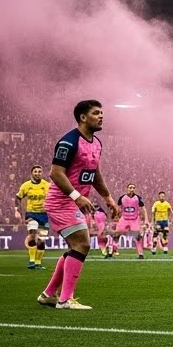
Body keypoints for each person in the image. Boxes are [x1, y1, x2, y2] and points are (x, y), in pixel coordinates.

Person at [38, 100, 118, 310]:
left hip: (74, 202)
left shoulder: (96, 143)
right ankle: (65, 300)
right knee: (82, 244)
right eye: (96, 113)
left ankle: (48, 295)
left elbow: (94, 172)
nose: (101, 116)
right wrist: (76, 195)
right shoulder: (68, 142)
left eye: (102, 113)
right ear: (83, 117)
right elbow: (55, 173)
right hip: (61, 202)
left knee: (76, 247)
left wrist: (108, 197)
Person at [16, 165, 51, 269]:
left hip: (44, 215)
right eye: (35, 171)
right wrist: (16, 210)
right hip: (31, 214)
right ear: (32, 173)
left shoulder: (47, 185)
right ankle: (31, 261)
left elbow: (53, 198)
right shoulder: (26, 186)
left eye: (39, 171)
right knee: (32, 232)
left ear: (42, 173)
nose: (37, 173)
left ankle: (38, 263)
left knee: (41, 240)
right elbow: (18, 197)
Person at [108, 183, 148, 260]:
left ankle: (140, 254)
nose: (132, 189)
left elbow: (144, 209)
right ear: (127, 188)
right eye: (130, 187)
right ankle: (111, 252)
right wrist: (115, 216)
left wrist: (146, 220)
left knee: (138, 237)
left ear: (135, 189)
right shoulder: (122, 198)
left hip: (134, 219)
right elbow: (118, 208)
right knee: (116, 235)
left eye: (133, 187)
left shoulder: (138, 198)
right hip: (124, 219)